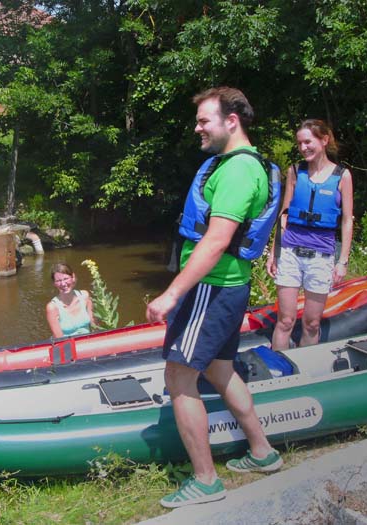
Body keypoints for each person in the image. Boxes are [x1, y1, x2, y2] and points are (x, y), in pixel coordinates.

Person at [146, 87, 282, 509]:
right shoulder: (235, 165)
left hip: (212, 287)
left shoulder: (239, 171)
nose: (197, 127)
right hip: (228, 285)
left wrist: (172, 293)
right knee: (221, 369)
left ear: (231, 121)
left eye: (205, 120)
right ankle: (262, 451)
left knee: (179, 376)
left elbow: (217, 239)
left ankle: (206, 480)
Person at [266, 119, 354, 350]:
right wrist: (273, 253)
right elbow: (284, 214)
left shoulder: (342, 176)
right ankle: (279, 372)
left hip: (321, 256)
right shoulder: (295, 172)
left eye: (308, 141)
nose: (303, 147)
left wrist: (342, 261)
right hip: (290, 252)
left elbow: (346, 220)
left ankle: (305, 372)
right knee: (285, 320)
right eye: (300, 143)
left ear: (324, 140)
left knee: (312, 323)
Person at [46, 262, 94, 338]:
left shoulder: (85, 296)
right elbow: (59, 339)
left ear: (73, 278)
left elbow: (94, 325)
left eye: (66, 279)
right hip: (67, 346)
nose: (63, 284)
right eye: (58, 281)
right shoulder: (52, 307)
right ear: (54, 283)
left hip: (87, 343)